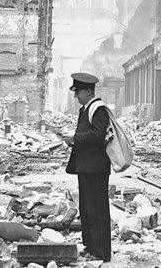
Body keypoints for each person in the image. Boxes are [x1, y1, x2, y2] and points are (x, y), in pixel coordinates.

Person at [62, 72, 112, 262]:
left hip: (96, 167)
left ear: (89, 91)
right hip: (86, 167)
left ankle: (101, 252)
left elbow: (99, 135)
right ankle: (91, 246)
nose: (76, 96)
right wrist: (73, 141)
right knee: (87, 208)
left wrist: (75, 138)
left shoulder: (98, 109)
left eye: (79, 92)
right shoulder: (86, 109)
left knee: (97, 209)